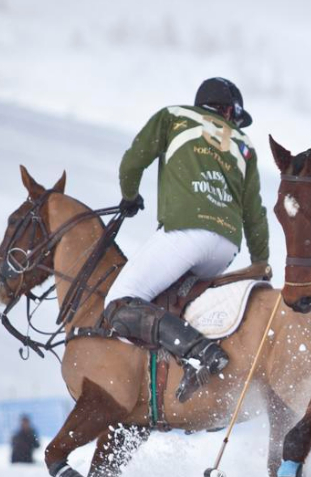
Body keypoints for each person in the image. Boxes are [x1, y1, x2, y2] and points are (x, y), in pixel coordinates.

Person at [102, 77, 270, 402]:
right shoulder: (243, 144)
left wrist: (129, 196)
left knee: (120, 303)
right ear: (227, 110)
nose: (233, 123)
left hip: (186, 233)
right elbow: (254, 211)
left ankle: (201, 354)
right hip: (225, 247)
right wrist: (261, 260)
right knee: (182, 304)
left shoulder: (173, 116)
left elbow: (132, 162)